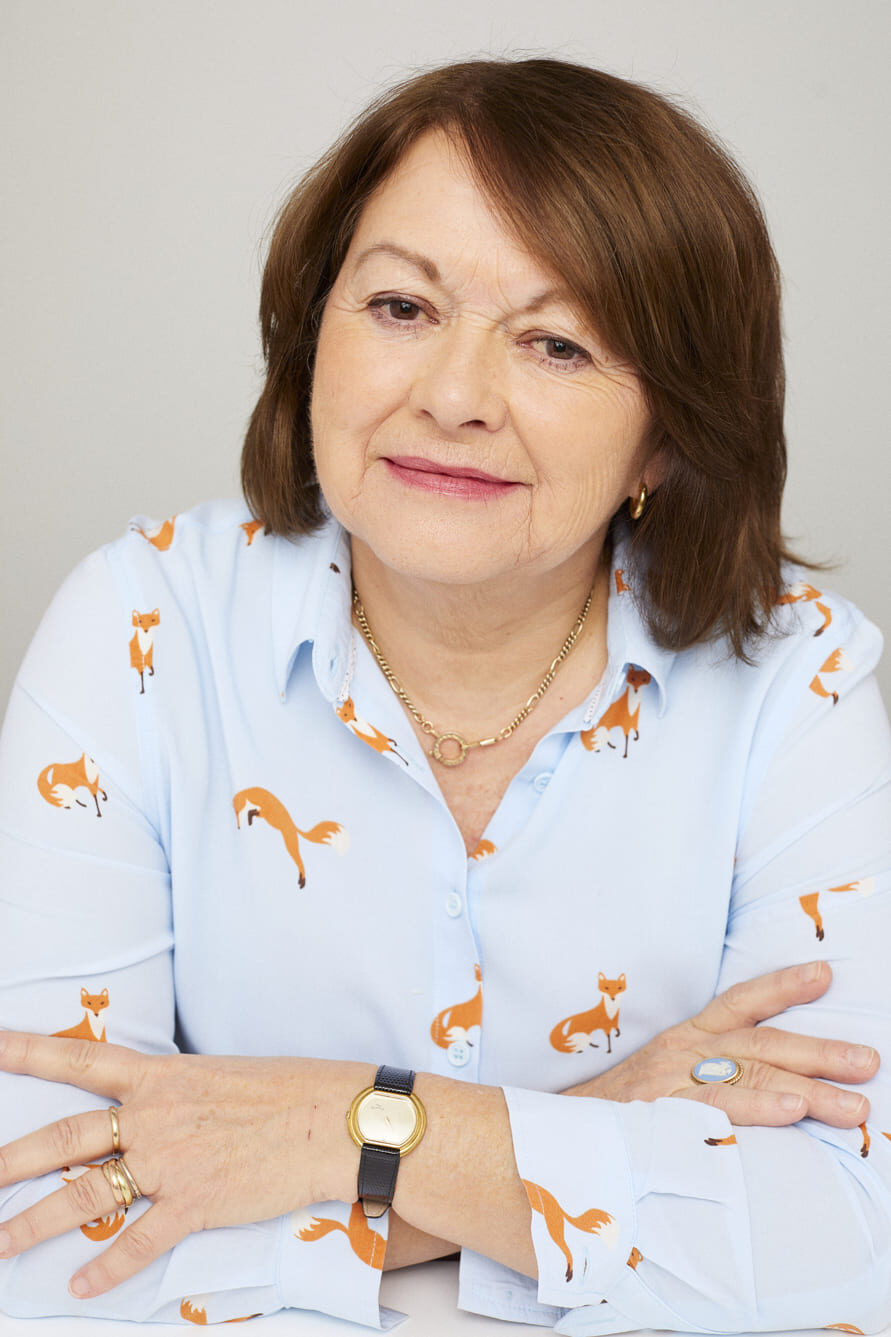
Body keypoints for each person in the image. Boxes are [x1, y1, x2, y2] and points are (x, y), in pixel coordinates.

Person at [0, 55, 889, 1333]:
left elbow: (854, 1232)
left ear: (666, 435)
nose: (455, 397)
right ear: (314, 337)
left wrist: (336, 1126)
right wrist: (604, 1129)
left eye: (557, 342)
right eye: (402, 306)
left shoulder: (797, 679)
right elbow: (40, 1233)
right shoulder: (141, 629)